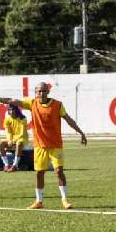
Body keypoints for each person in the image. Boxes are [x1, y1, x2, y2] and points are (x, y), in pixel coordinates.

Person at [27, 80, 87, 210]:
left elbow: (68, 119)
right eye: (39, 91)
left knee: (59, 171)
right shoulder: (31, 103)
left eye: (43, 91)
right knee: (39, 173)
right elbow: (10, 100)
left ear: (48, 91)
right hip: (39, 146)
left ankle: (65, 200)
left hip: (55, 145)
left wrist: (81, 132)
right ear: (36, 93)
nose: (41, 93)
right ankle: (39, 201)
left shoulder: (57, 105)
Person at [1, 100, 28, 172]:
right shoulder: (7, 119)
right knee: (1, 144)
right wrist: (10, 140)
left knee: (19, 143)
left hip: (21, 139)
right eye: (9, 110)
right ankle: (6, 165)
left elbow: (21, 133)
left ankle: (15, 165)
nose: (11, 112)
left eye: (13, 110)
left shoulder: (23, 119)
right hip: (12, 140)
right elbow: (8, 131)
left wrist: (13, 141)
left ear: (16, 110)